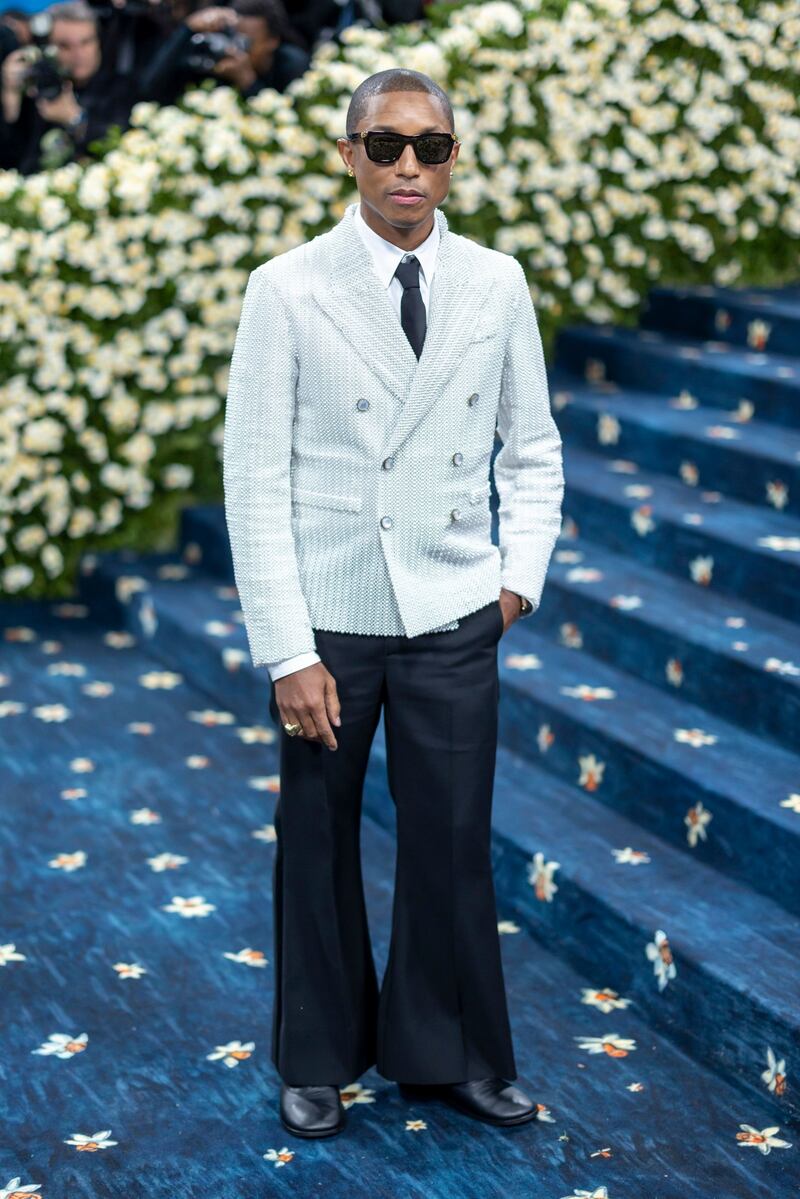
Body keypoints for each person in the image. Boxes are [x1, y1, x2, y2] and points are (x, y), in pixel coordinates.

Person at [222, 67, 565, 1139]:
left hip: (456, 609)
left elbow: (536, 446)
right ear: (348, 153)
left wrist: (517, 576)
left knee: (452, 840)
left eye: (428, 146)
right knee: (315, 836)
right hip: (327, 616)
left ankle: (450, 1051)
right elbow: (253, 478)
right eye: (384, 146)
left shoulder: (496, 281)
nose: (406, 166)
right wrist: (285, 646)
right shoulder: (286, 288)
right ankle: (318, 1053)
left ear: (454, 155)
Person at [0, 1, 138, 174]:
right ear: (49, 48)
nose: (78, 54)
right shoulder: (39, 88)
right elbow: (10, 159)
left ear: (98, 42)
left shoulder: (122, 87)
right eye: (65, 46)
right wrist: (10, 96)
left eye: (86, 42)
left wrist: (75, 119)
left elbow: (123, 146)